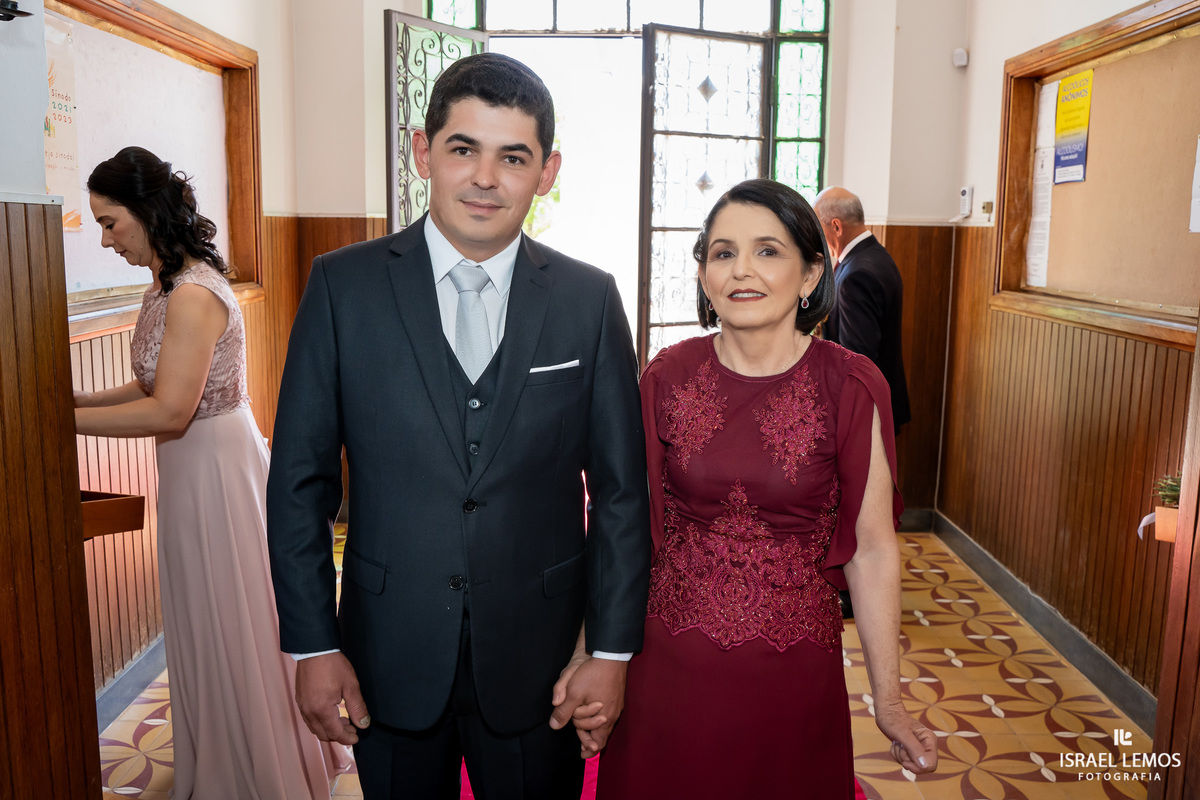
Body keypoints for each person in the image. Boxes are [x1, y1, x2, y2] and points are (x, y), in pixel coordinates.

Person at [265, 53, 651, 800]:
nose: (485, 178)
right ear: (423, 153)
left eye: (514, 157)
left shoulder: (589, 300)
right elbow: (298, 485)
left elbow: (621, 495)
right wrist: (313, 643)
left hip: (542, 662)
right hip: (387, 652)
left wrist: (610, 650)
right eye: (463, 149)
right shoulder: (342, 287)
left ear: (547, 172)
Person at [596, 179, 938, 799]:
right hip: (666, 672)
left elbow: (871, 550)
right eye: (723, 253)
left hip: (792, 676)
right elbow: (623, 531)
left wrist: (888, 700)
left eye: (768, 251)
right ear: (704, 275)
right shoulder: (666, 376)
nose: (741, 270)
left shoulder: (851, 386)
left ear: (811, 274)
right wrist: (592, 655)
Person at [74, 146, 351, 799]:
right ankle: (224, 753)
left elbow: (171, 410)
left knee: (236, 622)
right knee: (205, 618)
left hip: (217, 471)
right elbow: (152, 382)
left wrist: (66, 424)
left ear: (146, 210)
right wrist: (79, 402)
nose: (106, 239)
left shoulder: (194, 293)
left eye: (110, 222)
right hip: (189, 468)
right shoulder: (166, 285)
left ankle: (261, 769)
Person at [814, 186, 911, 431]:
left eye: (818, 228)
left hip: (864, 412)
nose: (817, 237)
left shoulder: (857, 274)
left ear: (836, 226)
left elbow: (856, 358)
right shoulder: (875, 256)